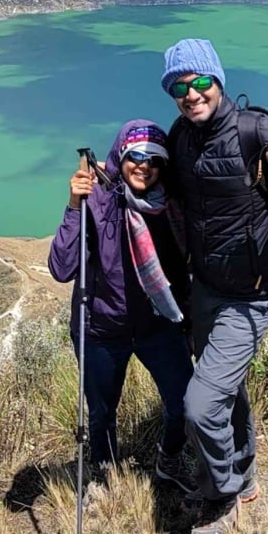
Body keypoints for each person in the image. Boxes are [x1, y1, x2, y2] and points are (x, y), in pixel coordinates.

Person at [160, 38, 268, 534]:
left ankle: (222, 495)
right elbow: (156, 188)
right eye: (178, 87)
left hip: (254, 293)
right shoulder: (180, 137)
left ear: (218, 80)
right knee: (224, 387)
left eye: (199, 82)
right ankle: (246, 472)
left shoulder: (259, 131)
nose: (191, 94)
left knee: (200, 403)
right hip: (206, 287)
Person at [47, 120, 196, 492]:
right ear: (120, 155)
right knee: (101, 415)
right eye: (135, 156)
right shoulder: (95, 198)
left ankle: (170, 458)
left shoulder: (171, 205)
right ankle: (104, 471)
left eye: (155, 160)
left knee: (187, 403)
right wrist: (74, 205)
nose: (144, 166)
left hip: (159, 325)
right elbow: (61, 267)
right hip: (101, 329)